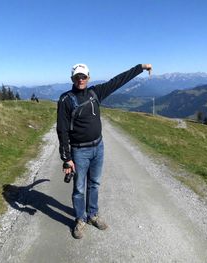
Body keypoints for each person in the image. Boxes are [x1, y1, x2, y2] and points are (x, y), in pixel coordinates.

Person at [56, 63, 152, 239]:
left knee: (95, 184)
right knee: (79, 188)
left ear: (88, 78)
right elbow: (62, 130)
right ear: (72, 79)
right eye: (77, 77)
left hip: (98, 147)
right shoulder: (65, 100)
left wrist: (140, 68)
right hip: (79, 151)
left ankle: (93, 215)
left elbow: (118, 80)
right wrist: (66, 158)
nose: (80, 80)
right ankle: (80, 219)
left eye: (83, 76)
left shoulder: (95, 93)